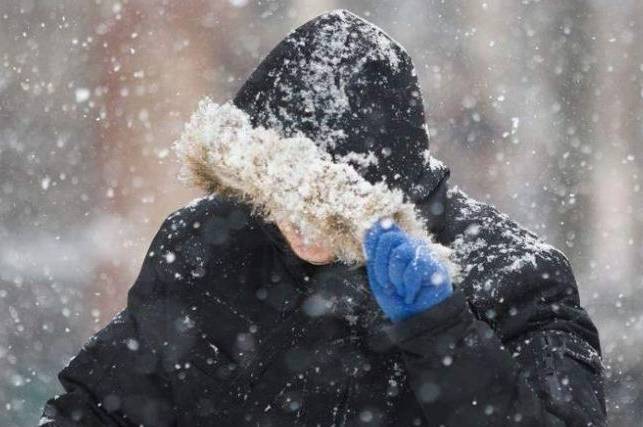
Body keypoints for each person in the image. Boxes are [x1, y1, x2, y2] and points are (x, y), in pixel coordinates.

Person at [41, 10, 605, 426]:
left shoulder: (515, 276)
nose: (302, 224)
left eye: (330, 211)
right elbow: (96, 406)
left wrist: (443, 335)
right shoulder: (207, 248)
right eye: (280, 194)